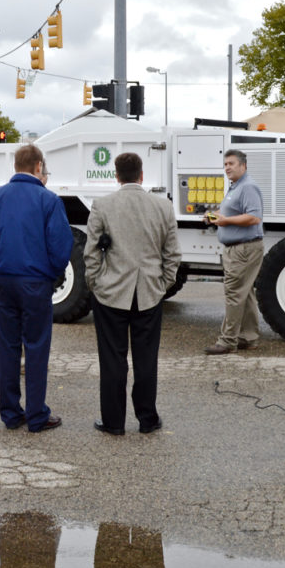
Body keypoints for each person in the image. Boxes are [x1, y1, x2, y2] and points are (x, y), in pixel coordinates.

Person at [83, 152, 180, 435]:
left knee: (112, 359)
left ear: (116, 175)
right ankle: (147, 419)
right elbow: (172, 254)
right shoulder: (163, 207)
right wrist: (162, 284)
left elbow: (91, 253)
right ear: (141, 175)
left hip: (111, 292)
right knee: (146, 359)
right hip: (149, 291)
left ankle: (113, 422)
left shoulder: (103, 205)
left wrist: (95, 283)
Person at [0, 144, 73, 433]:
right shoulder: (48, 200)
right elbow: (60, 247)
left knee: (7, 348)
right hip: (35, 282)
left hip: (4, 280)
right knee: (36, 347)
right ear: (38, 167)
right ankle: (36, 414)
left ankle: (10, 413)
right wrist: (52, 276)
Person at [203, 149, 265, 355]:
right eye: (225, 164)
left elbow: (254, 217)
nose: (227, 167)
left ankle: (228, 341)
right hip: (237, 248)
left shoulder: (248, 187)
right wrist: (214, 215)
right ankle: (249, 338)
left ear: (243, 166)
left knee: (234, 293)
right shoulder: (236, 187)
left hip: (243, 249)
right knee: (244, 294)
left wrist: (225, 220)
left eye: (231, 163)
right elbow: (232, 212)